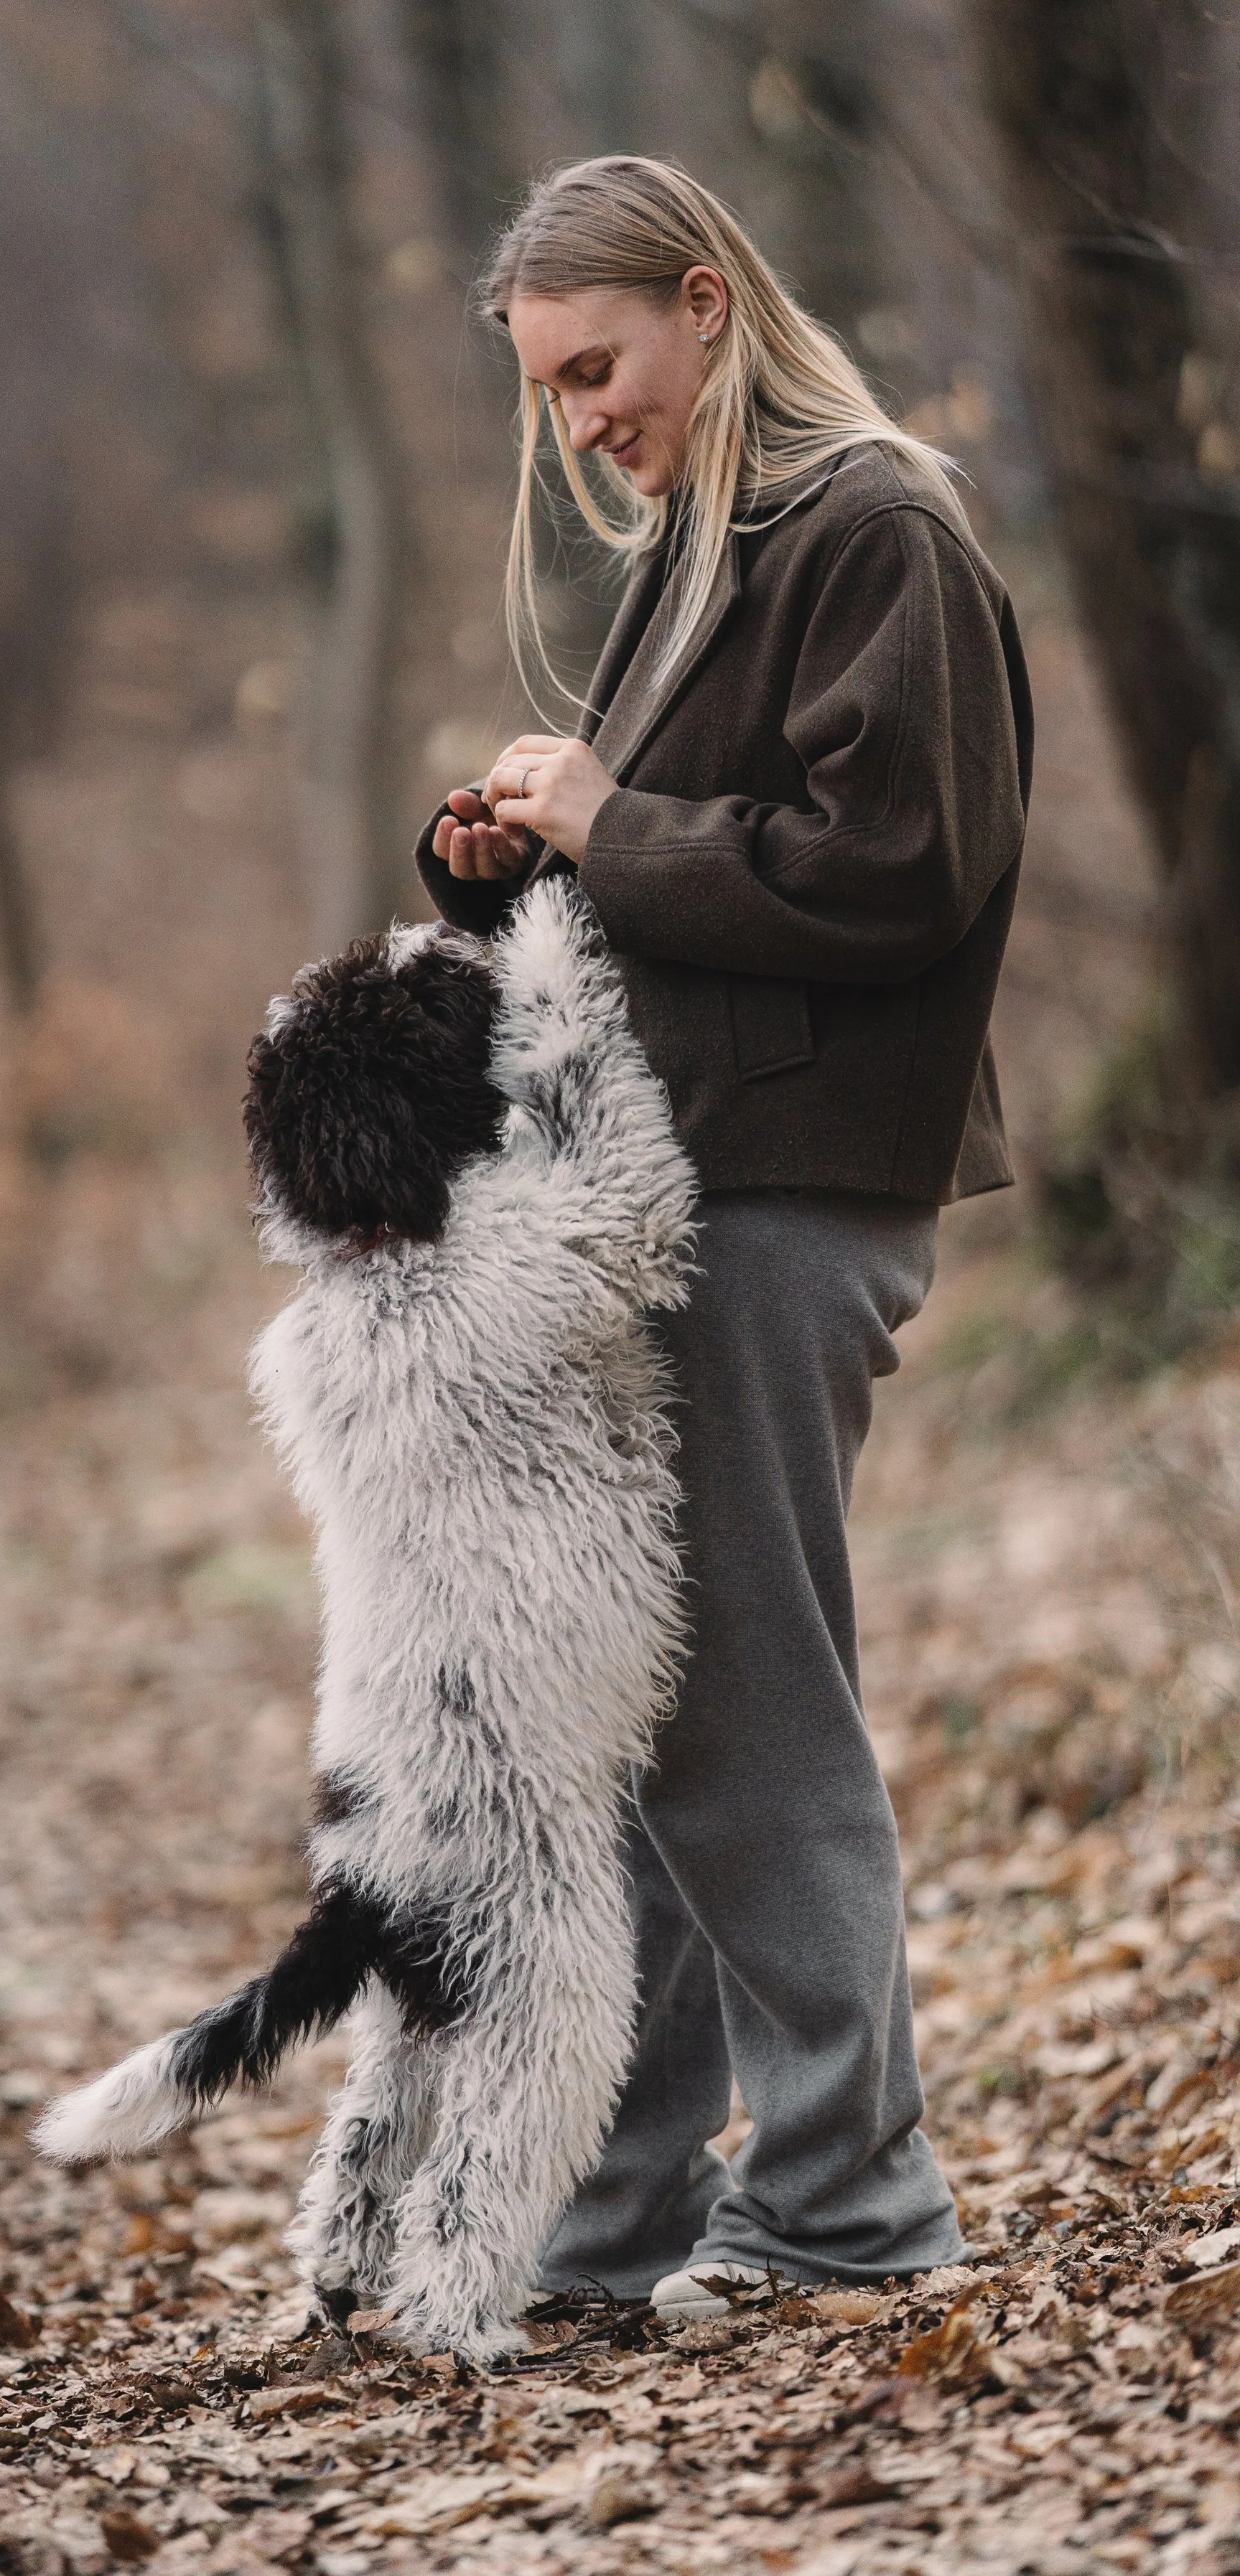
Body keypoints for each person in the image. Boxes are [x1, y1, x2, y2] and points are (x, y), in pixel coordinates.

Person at [415, 156, 1031, 2320]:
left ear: (705, 302)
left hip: (788, 1202)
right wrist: (521, 858)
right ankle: (619, 2222)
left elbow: (902, 866)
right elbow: (698, 871)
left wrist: (614, 818)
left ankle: (849, 2206)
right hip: (688, 1190)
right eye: (548, 391)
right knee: (647, 1707)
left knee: (750, 1708)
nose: (581, 420)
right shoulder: (713, 547)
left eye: (597, 368)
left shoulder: (876, 526)